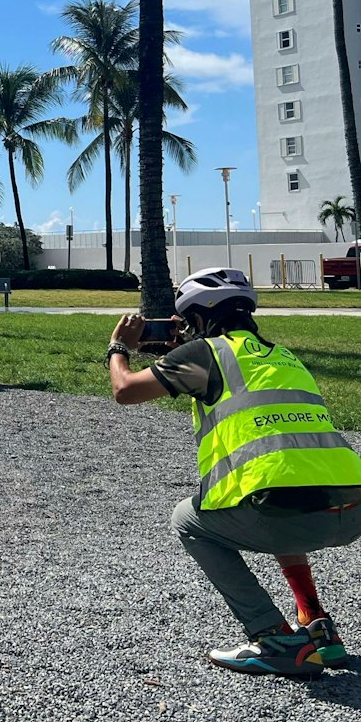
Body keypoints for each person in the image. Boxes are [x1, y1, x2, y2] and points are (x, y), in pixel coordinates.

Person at [107, 266, 361, 678]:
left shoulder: (204, 354)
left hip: (290, 515)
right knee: (278, 485)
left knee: (186, 519)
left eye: (190, 321)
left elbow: (125, 390)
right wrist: (183, 348)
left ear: (200, 319)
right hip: (350, 508)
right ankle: (317, 625)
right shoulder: (283, 355)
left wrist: (119, 346)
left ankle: (275, 637)